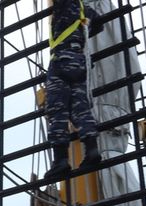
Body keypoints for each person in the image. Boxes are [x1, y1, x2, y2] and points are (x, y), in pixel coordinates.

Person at [43, 0, 105, 179]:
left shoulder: (64, 4)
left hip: (62, 59)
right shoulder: (84, 9)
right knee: (80, 108)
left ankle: (60, 161)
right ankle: (91, 150)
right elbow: (99, 24)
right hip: (79, 60)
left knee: (57, 110)